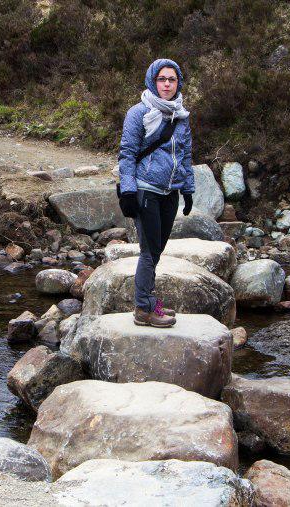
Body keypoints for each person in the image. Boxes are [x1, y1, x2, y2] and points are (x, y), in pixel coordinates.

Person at [117, 58, 194, 328]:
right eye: (162, 79)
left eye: (172, 79)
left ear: (178, 83)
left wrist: (188, 189)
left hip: (169, 192)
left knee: (157, 251)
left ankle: (150, 302)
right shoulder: (138, 113)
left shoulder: (181, 116)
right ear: (153, 80)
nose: (167, 84)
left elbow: (185, 155)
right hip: (145, 189)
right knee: (149, 252)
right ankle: (143, 309)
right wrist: (127, 190)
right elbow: (127, 154)